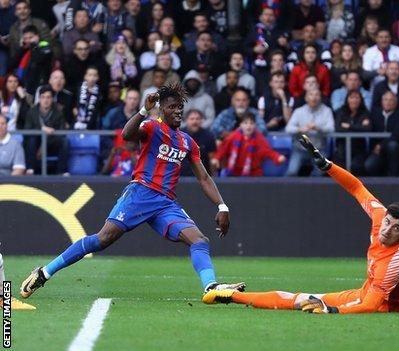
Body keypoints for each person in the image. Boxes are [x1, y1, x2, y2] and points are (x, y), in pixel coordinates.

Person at [203, 135, 399, 314]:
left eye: (396, 229)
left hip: (386, 301)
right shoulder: (381, 216)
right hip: (376, 285)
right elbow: (357, 187)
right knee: (297, 298)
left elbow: (371, 305)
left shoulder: (392, 261)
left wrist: (333, 311)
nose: (387, 229)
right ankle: (231, 297)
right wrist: (327, 165)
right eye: (389, 222)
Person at [20, 83, 246, 300]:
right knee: (102, 240)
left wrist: (222, 206)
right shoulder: (152, 127)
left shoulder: (188, 142)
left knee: (199, 240)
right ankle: (44, 273)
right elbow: (127, 135)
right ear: (161, 110)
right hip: (140, 193)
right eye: (171, 107)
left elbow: (204, 177)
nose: (177, 111)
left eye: (180, 107)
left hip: (165, 203)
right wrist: (143, 110)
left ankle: (211, 287)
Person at [211, 112, 285, 176]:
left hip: (254, 174)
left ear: (255, 125)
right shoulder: (233, 136)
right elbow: (223, 148)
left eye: (251, 123)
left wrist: (277, 157)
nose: (248, 126)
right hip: (233, 172)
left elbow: (267, 151)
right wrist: (216, 158)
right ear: (240, 125)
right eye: (245, 123)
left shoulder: (259, 138)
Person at [21, 85, 69, 175]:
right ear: (39, 98)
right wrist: (42, 129)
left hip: (51, 142)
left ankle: (62, 171)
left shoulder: (58, 112)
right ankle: (30, 169)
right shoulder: (32, 112)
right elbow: (27, 130)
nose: (45, 100)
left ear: (52, 99)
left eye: (48, 97)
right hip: (36, 142)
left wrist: (43, 145)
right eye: (43, 97)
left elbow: (62, 132)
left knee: (65, 141)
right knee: (31, 139)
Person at [365, 91, 399, 176]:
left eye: (391, 100)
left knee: (392, 145)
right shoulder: (375, 114)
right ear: (381, 102)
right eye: (385, 100)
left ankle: (393, 179)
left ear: (396, 103)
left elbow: (397, 134)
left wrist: (381, 145)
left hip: (396, 151)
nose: (388, 102)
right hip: (377, 151)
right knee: (369, 165)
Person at [333, 90, 371, 175]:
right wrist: (359, 126)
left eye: (357, 97)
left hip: (359, 148)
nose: (354, 100)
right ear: (347, 99)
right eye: (352, 97)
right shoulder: (341, 111)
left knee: (356, 167)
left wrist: (349, 126)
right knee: (338, 167)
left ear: (361, 100)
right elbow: (338, 128)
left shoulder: (365, 112)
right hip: (342, 147)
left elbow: (367, 128)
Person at [181, 109, 217, 176]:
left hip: (202, 176)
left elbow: (211, 159)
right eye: (192, 119)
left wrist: (214, 177)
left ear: (201, 121)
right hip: (181, 176)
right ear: (186, 120)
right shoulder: (178, 134)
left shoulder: (208, 136)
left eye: (197, 119)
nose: (195, 121)